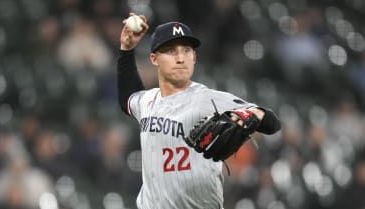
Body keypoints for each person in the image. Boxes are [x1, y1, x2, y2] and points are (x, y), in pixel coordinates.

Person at [117, 13, 281, 209]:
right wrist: (127, 50)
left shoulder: (206, 98)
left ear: (194, 57)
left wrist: (250, 115)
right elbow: (128, 98)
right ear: (154, 59)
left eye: (186, 50)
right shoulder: (147, 100)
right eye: (170, 51)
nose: (180, 58)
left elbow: (272, 122)